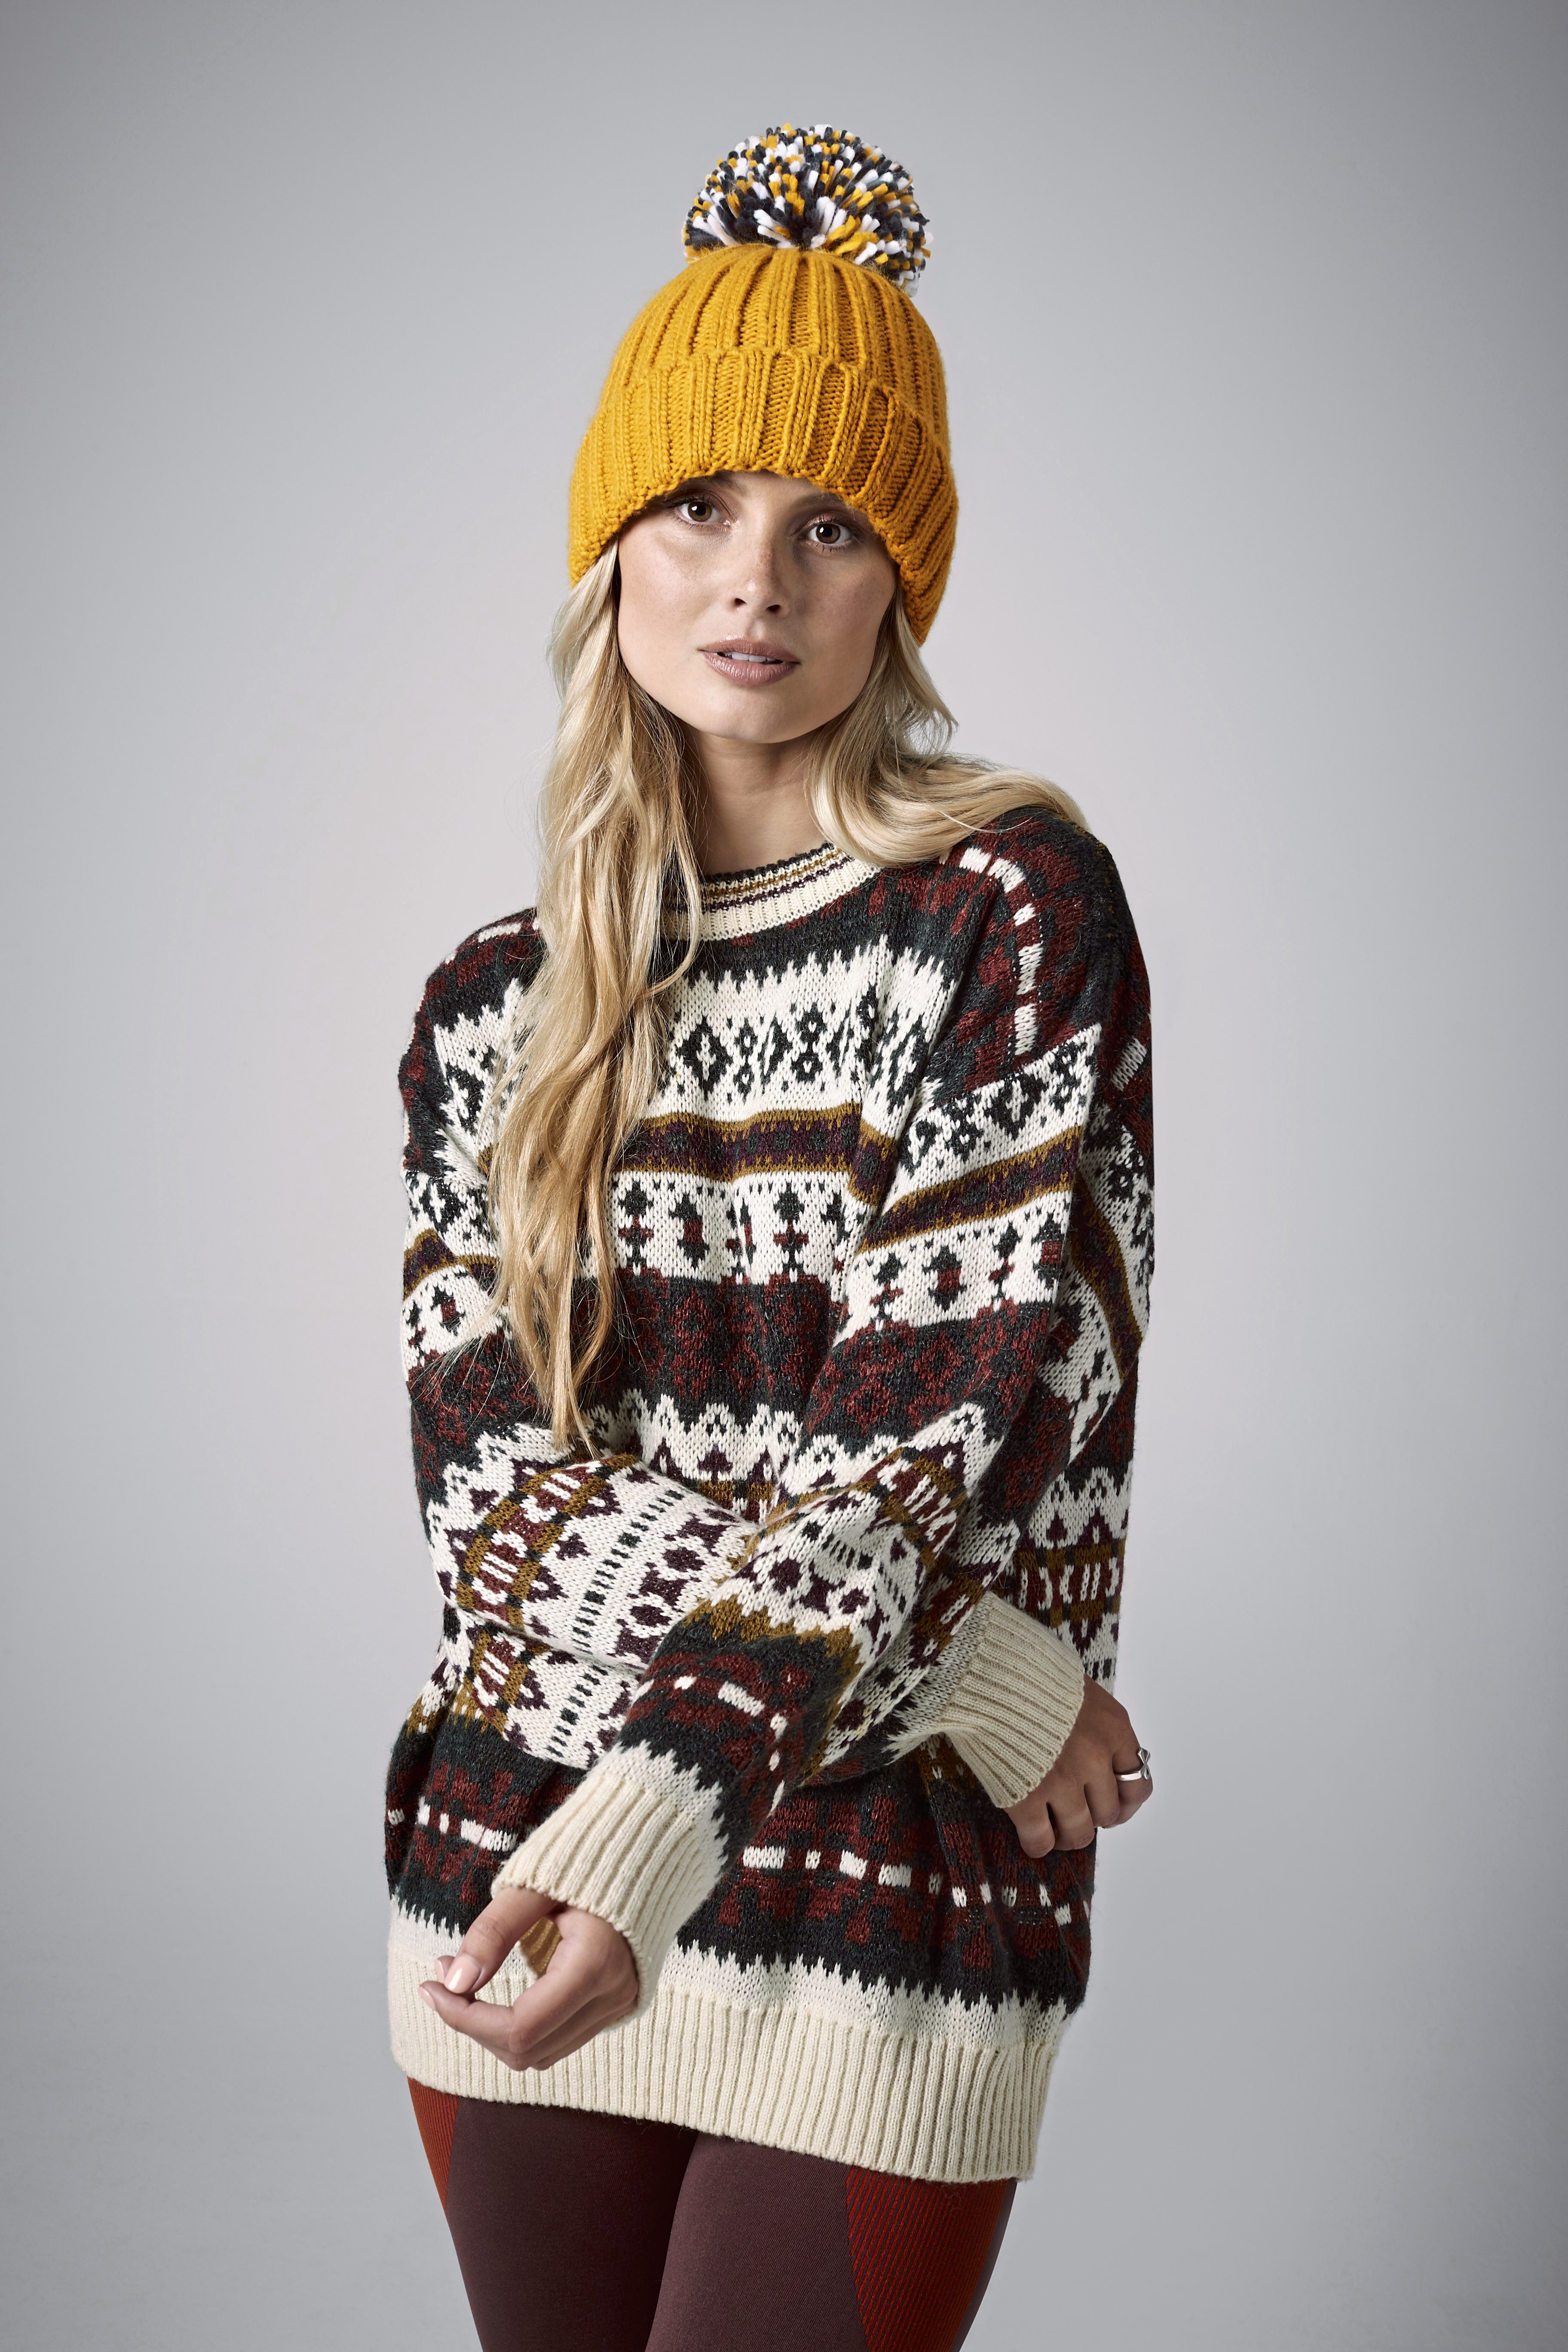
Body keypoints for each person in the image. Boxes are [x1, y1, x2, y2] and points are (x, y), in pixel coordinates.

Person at [384, 123, 1155, 2352]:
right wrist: (983, 1676)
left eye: (831, 525)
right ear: (611, 546)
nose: (757, 580)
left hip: (882, 1904)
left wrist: (653, 1832)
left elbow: (911, 1457)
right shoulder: (491, 1009)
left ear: (898, 582)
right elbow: (498, 1523)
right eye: (700, 505)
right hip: (518, 1843)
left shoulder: (1009, 914)